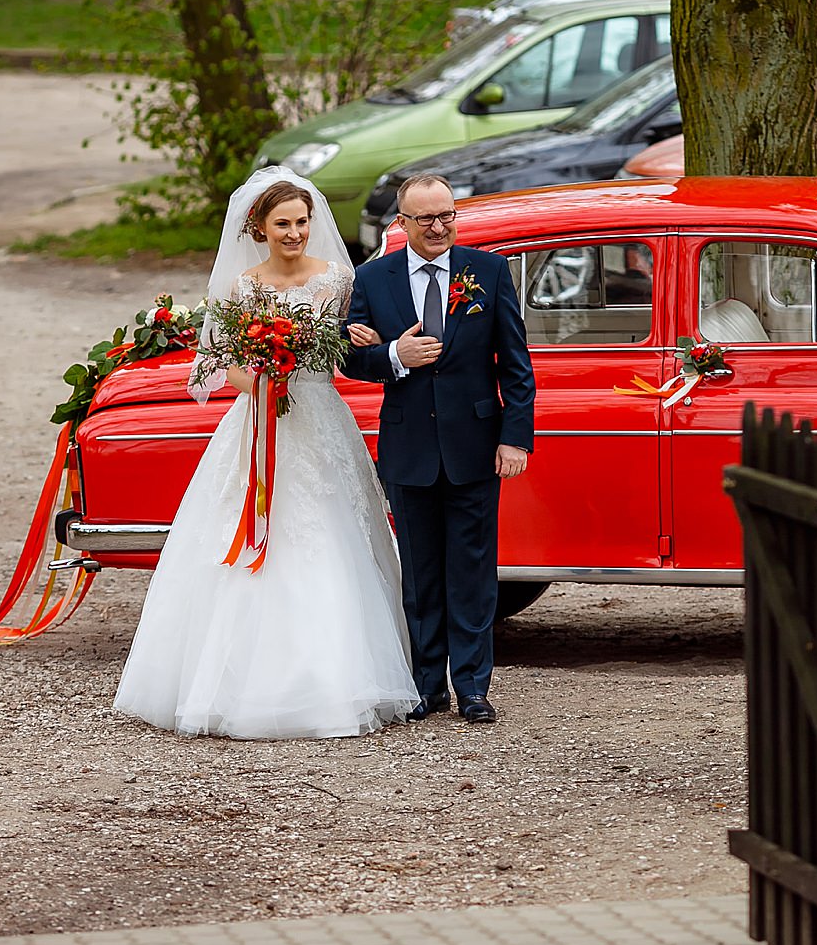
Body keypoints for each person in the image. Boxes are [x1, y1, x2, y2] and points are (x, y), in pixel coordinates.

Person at [113, 167, 420, 738]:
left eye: (303, 222)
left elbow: (353, 346)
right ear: (259, 227)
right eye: (284, 223)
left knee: (329, 533)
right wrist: (261, 375)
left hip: (320, 419)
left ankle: (333, 678)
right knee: (250, 532)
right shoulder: (241, 287)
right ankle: (234, 680)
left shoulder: (336, 281)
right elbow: (220, 367)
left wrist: (370, 343)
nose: (296, 232)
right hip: (259, 421)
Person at [342, 174, 536, 724]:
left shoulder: (488, 271)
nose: (438, 227)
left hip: (475, 443)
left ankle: (473, 686)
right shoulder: (373, 279)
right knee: (421, 572)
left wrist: (515, 437)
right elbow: (351, 360)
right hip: (408, 446)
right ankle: (429, 686)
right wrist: (396, 355)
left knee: (473, 571)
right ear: (400, 224)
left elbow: (516, 367)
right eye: (425, 218)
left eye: (446, 215)